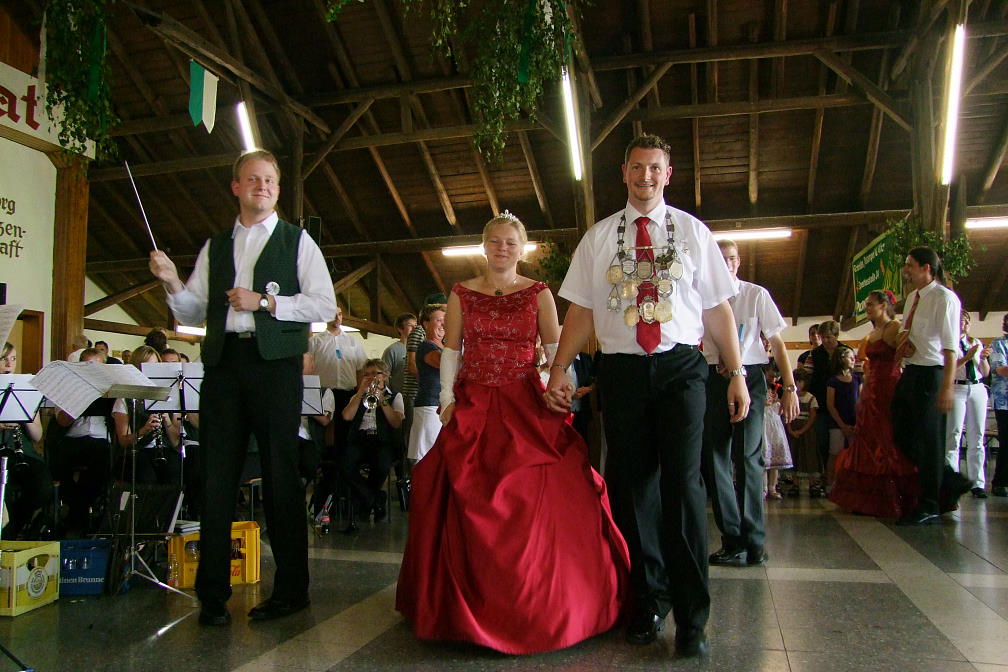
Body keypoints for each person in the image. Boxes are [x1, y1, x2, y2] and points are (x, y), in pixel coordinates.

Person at [545, 134, 750, 657]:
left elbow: (717, 310)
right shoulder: (598, 238)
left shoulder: (694, 233)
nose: (646, 176)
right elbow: (581, 311)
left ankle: (693, 618)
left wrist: (736, 372)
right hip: (622, 372)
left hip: (682, 370)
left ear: (668, 173)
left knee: (684, 488)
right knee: (632, 490)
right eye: (637, 168)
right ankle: (647, 601)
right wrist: (559, 368)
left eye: (655, 168)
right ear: (624, 173)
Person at [397, 211, 629, 654]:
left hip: (524, 401)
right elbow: (451, 349)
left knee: (544, 487)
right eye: (496, 241)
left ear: (522, 249)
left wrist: (557, 386)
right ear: (484, 245)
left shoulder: (539, 293)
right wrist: (446, 397)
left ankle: (553, 603)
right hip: (474, 401)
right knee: (463, 487)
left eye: (510, 242)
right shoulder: (462, 293)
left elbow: (554, 349)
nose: (502, 248)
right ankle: (463, 607)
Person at [148, 149, 336, 625]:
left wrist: (267, 303)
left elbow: (323, 304)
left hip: (275, 365)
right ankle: (212, 595)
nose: (262, 187)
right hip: (224, 365)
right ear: (236, 187)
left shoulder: (297, 242)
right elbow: (193, 312)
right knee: (215, 475)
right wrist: (171, 282)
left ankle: (291, 591)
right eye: (253, 179)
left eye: (270, 180)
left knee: (280, 474)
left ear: (278, 188)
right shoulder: (215, 246)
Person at [702, 239, 797, 569]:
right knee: (715, 457)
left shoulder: (756, 295)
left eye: (731, 259)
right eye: (721, 259)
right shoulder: (702, 296)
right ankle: (732, 538)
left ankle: (755, 540)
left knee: (748, 456)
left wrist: (789, 387)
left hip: (751, 376)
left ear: (738, 262)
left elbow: (777, 343)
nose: (726, 264)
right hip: (713, 376)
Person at [891, 247, 971, 525]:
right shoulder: (913, 299)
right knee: (901, 431)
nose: (906, 270)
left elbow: (950, 348)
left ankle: (929, 504)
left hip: (932, 375)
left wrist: (946, 387)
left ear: (927, 268)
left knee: (930, 439)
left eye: (910, 265)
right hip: (912, 372)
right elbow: (910, 333)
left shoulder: (944, 299)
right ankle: (949, 479)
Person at [829, 290, 918, 518]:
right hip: (872, 388)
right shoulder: (873, 333)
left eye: (870, 304)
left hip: (888, 386)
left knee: (885, 437)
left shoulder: (893, 327)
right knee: (868, 438)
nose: (867, 308)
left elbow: (907, 352)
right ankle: (866, 498)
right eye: (866, 304)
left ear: (884, 305)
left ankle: (895, 494)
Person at [339, 358, 404, 532]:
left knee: (382, 465)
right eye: (366, 375)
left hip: (382, 441)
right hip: (360, 440)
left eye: (375, 374)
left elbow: (396, 422)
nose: (371, 378)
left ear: (385, 376)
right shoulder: (358, 395)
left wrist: (381, 399)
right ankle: (375, 500)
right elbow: (346, 416)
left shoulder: (395, 396)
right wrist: (361, 392)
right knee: (344, 465)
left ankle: (366, 502)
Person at [0, 342, 53, 539]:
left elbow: (37, 436)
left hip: (23, 453)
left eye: (13, 358)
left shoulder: (23, 389)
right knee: (3, 491)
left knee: (43, 487)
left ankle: (14, 528)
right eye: (3, 358)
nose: (9, 364)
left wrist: (27, 415)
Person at [112, 346, 181, 485]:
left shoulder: (169, 396)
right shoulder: (125, 398)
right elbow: (123, 441)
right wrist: (144, 430)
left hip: (165, 450)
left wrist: (166, 420)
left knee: (176, 475)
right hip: (137, 452)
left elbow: (175, 442)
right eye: (147, 366)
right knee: (147, 477)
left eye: (155, 366)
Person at [945, 310, 992, 498]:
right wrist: (966, 357)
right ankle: (953, 482)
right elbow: (949, 369)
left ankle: (977, 482)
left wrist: (983, 358)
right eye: (960, 321)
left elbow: (985, 372)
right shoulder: (949, 343)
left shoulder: (975, 342)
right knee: (954, 434)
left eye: (966, 321)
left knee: (977, 435)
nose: (963, 324)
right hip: (957, 387)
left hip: (977, 387)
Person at [405, 303, 445, 464]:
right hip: (430, 406)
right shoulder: (426, 346)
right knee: (426, 455)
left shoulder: (443, 347)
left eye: (445, 321)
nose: (443, 324)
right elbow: (445, 363)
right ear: (426, 323)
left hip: (441, 405)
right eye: (439, 320)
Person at [807, 320, 841, 495]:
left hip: (841, 405)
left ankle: (839, 480)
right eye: (823, 337)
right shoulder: (814, 354)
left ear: (836, 336)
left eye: (829, 337)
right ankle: (826, 478)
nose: (825, 341)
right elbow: (807, 377)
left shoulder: (845, 352)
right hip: (820, 405)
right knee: (822, 442)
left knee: (840, 446)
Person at [825, 345, 861, 492]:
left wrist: (857, 423)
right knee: (834, 453)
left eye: (854, 357)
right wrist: (842, 425)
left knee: (854, 454)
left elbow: (860, 402)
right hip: (837, 423)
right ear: (841, 359)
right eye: (849, 357)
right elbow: (831, 405)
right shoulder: (833, 381)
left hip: (854, 423)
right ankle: (830, 483)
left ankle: (850, 484)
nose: (853, 359)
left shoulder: (857, 379)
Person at [787, 367, 820, 495]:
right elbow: (787, 414)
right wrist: (790, 429)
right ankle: (795, 483)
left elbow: (812, 417)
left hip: (807, 432)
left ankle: (813, 483)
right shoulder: (790, 397)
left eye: (800, 381)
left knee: (809, 455)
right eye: (795, 381)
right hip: (793, 428)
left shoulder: (810, 398)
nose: (797, 384)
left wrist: (802, 430)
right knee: (794, 454)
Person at [763, 365, 793, 500]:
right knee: (764, 458)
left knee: (775, 460)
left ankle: (772, 487)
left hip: (775, 425)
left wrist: (779, 400)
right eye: (771, 376)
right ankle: (763, 487)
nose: (774, 379)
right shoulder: (760, 385)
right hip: (763, 424)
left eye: (777, 377)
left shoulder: (781, 389)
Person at [989, 314, 1008, 497]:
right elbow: (1001, 369)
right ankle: (1000, 481)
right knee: (1006, 442)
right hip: (1004, 401)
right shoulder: (998, 344)